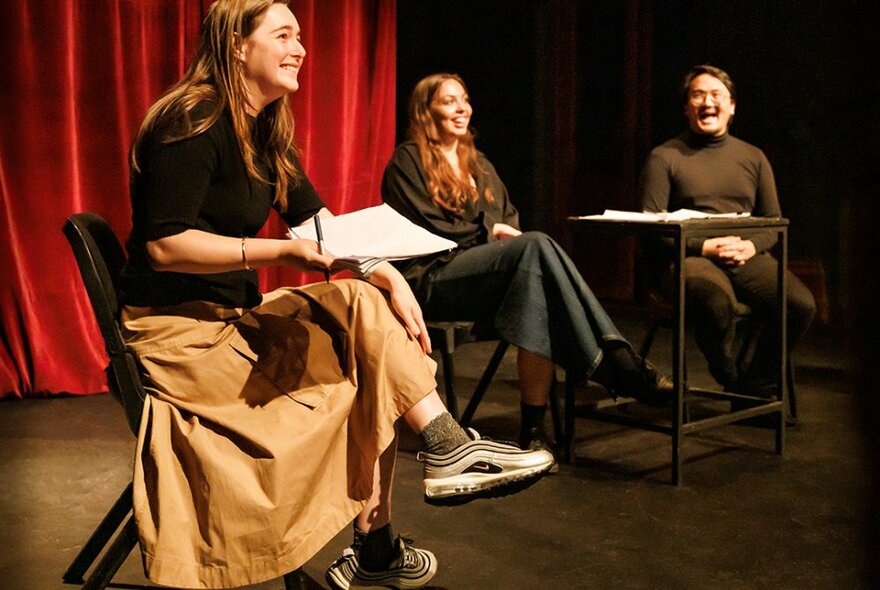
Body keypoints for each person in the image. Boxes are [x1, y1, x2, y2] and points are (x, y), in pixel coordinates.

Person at [119, 3, 553, 589]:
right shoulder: (193, 120)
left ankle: (427, 475)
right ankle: (393, 525)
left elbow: (317, 223)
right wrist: (274, 252)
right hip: (180, 336)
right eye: (283, 35)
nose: (300, 48)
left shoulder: (264, 130)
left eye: (300, 36)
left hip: (233, 322)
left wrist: (382, 272)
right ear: (238, 46)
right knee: (362, 348)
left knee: (365, 314)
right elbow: (165, 246)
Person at [380, 73, 673, 458]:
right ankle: (613, 358)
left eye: (464, 100)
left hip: (488, 278)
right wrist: (494, 234)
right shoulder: (408, 160)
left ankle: (534, 432)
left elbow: (509, 219)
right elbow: (432, 229)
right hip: (434, 279)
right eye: (449, 101)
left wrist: (503, 235)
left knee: (537, 290)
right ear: (425, 110)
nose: (461, 108)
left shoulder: (478, 163)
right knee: (536, 245)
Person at [639, 64, 816, 395]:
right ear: (686, 107)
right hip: (687, 254)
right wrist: (705, 248)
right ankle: (729, 375)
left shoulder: (753, 157)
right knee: (716, 304)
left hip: (743, 252)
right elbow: (652, 228)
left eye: (716, 94)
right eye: (698, 95)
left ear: (731, 105)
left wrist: (750, 247)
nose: (708, 101)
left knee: (800, 305)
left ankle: (756, 386)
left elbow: (773, 221)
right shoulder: (664, 157)